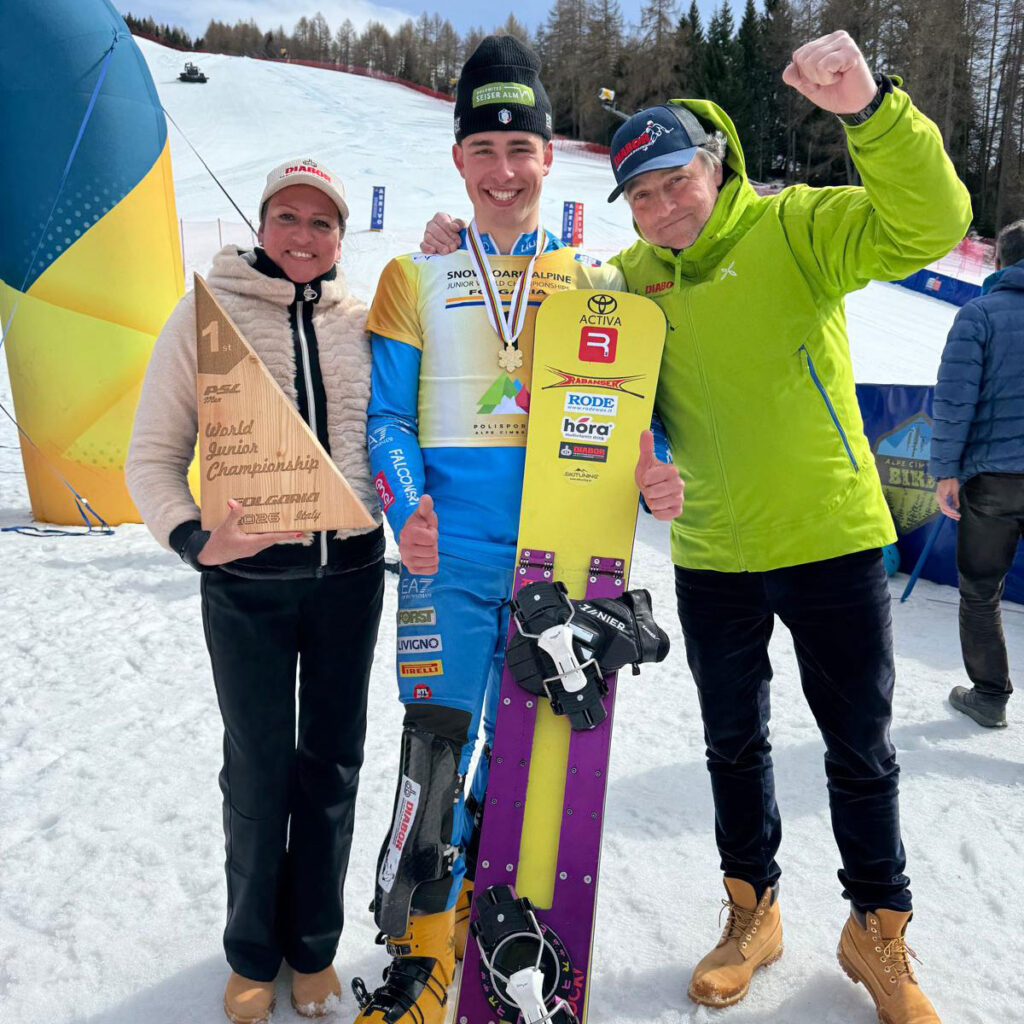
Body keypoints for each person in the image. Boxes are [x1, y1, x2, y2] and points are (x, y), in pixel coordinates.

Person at [423, 30, 971, 1024]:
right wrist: (449, 251)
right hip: (715, 552)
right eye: (642, 195)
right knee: (734, 746)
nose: (664, 206)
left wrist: (867, 109)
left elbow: (931, 221)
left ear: (717, 168)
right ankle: (750, 910)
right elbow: (575, 364)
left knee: (858, 747)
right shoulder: (632, 281)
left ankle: (877, 930)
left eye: (678, 181)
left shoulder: (795, 229)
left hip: (830, 539)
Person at [352, 35, 681, 1024]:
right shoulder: (413, 275)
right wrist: (404, 505)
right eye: (483, 152)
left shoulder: (590, 280)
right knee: (434, 754)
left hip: (552, 565)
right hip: (444, 563)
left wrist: (652, 465)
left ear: (550, 157)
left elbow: (623, 410)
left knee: (526, 761)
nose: (502, 172)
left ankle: (484, 935)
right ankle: (416, 955)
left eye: (521, 150)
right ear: (458, 159)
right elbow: (384, 422)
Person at [126, 158, 385, 1024]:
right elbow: (150, 460)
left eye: (323, 222)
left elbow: (397, 432)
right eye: (288, 217)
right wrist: (197, 540)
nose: (304, 236)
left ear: (341, 237)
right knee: (259, 771)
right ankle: (250, 952)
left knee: (333, 768)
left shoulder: (364, 319)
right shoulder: (207, 315)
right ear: (261, 223)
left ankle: (311, 949)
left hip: (349, 577)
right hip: (247, 588)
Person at [931, 218, 1024, 730]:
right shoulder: (979, 314)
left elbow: (954, 399)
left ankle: (989, 696)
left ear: (999, 260)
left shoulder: (979, 314)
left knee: (981, 590)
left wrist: (946, 470)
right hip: (996, 478)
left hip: (994, 482)